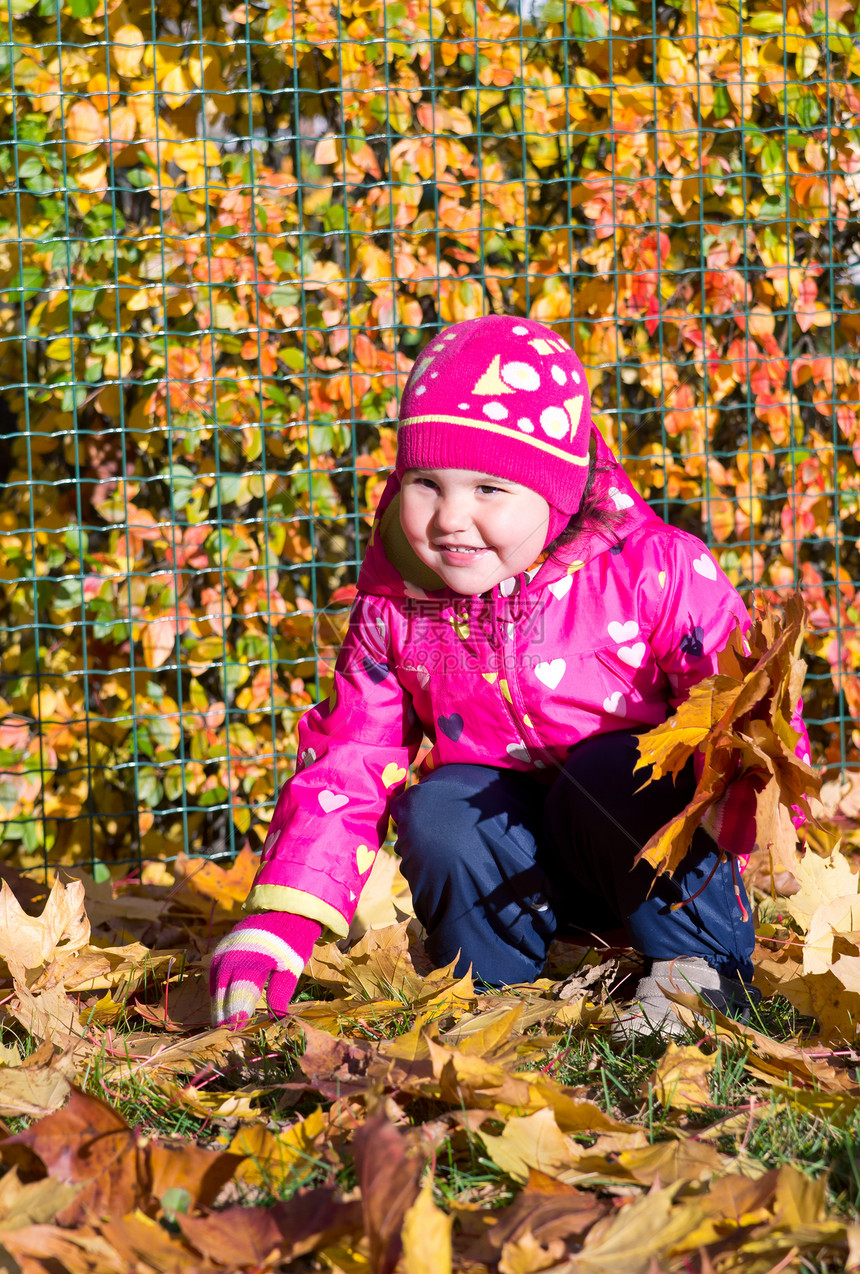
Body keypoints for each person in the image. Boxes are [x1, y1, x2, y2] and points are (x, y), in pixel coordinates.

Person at [210, 315, 807, 1037]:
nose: (451, 518)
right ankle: (490, 986)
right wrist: (280, 920)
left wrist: (753, 807)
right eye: (425, 482)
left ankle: (697, 969)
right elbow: (351, 757)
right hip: (522, 857)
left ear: (555, 490)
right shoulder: (399, 603)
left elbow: (746, 707)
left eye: (490, 488)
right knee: (441, 808)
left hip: (642, 845)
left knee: (620, 770)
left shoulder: (655, 570)